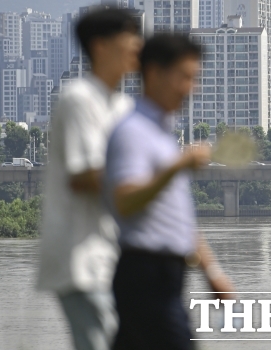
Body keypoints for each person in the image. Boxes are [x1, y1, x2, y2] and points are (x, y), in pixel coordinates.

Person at [105, 34, 234, 350]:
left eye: (195, 78)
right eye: (185, 77)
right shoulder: (132, 132)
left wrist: (211, 271)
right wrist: (178, 166)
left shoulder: (162, 135)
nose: (191, 88)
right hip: (145, 275)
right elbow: (125, 199)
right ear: (153, 73)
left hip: (165, 276)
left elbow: (178, 217)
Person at [37, 8, 142, 350]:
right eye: (130, 38)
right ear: (100, 46)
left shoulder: (123, 106)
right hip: (79, 258)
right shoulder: (79, 99)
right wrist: (160, 177)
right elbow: (85, 177)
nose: (138, 46)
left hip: (110, 257)